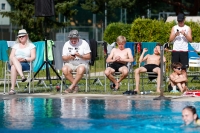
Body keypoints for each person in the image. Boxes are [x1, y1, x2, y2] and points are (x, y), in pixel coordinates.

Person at [9, 29, 36, 95]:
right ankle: (22, 76)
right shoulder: (15, 46)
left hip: (25, 63)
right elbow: (11, 57)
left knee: (13, 67)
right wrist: (16, 59)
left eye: (22, 36)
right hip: (14, 61)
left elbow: (33, 57)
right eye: (19, 37)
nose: (21, 38)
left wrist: (25, 59)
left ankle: (12, 89)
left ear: (26, 36)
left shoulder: (31, 46)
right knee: (14, 58)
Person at [169, 13, 192, 78]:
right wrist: (175, 34)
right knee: (175, 69)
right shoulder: (174, 27)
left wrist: (185, 34)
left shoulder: (187, 28)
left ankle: (184, 85)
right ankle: (175, 85)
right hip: (176, 50)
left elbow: (190, 40)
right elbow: (170, 39)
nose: (180, 22)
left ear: (184, 20)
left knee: (184, 69)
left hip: (184, 51)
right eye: (179, 21)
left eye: (181, 21)